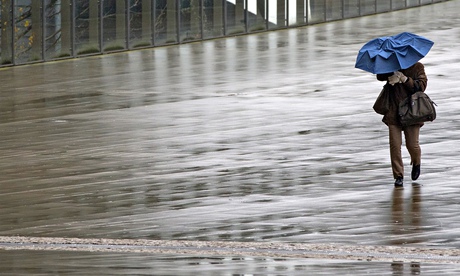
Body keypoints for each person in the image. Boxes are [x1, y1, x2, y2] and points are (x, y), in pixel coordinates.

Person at [376, 62, 427, 187]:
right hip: (394, 112)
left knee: (412, 145)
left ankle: (416, 162)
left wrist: (404, 79)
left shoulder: (417, 67)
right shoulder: (391, 65)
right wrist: (390, 76)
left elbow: (421, 87)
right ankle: (398, 176)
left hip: (412, 111)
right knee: (395, 145)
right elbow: (379, 76)